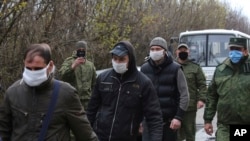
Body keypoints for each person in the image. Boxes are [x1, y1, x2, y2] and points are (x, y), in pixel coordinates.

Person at [0, 43, 98, 141]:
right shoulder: (13, 92)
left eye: (38, 69)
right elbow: (4, 131)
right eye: (29, 68)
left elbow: (85, 134)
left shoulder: (66, 93)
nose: (33, 73)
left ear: (50, 66)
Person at [87, 41, 163, 141]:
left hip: (127, 137)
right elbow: (91, 110)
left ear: (130, 60)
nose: (118, 62)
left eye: (122, 59)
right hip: (100, 136)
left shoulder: (143, 83)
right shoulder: (103, 78)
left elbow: (154, 117)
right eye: (115, 59)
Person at [140, 37, 189, 141]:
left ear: (164, 51)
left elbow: (184, 95)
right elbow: (139, 96)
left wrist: (178, 117)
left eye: (158, 49)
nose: (154, 52)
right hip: (149, 123)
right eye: (152, 49)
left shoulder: (176, 69)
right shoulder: (144, 69)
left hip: (169, 123)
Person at [204, 37, 250, 141]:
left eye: (238, 49)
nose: (234, 52)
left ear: (245, 51)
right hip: (225, 125)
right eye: (232, 49)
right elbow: (212, 96)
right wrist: (208, 120)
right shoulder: (221, 70)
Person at [175, 43, 207, 141]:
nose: (183, 52)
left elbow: (202, 85)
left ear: (188, 52)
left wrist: (201, 99)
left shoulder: (195, 67)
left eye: (185, 51)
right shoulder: (171, 66)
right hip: (175, 105)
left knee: (190, 133)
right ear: (176, 52)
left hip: (190, 107)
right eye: (181, 51)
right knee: (175, 135)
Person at [59, 40, 96, 109]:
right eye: (79, 50)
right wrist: (73, 66)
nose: (81, 51)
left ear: (86, 51)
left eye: (83, 50)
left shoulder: (90, 65)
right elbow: (62, 76)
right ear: (76, 50)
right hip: (72, 100)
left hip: (87, 103)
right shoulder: (69, 61)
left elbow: (94, 84)